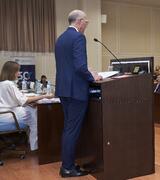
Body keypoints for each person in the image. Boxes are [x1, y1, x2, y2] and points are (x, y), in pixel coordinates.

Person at [55, 10, 102, 177]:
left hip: (64, 89)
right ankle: (67, 168)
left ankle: (68, 164)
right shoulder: (78, 37)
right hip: (76, 91)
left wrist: (86, 70)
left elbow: (69, 65)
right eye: (86, 23)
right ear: (80, 21)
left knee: (68, 128)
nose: (86, 26)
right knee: (72, 130)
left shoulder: (60, 38)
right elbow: (79, 67)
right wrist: (92, 76)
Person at [0, 61, 53, 151]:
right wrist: (45, 96)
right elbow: (24, 100)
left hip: (4, 114)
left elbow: (13, 100)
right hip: (8, 116)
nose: (19, 73)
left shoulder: (2, 83)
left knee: (30, 109)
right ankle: (35, 146)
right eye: (18, 71)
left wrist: (27, 103)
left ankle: (32, 142)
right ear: (12, 72)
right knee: (34, 113)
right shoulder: (9, 84)